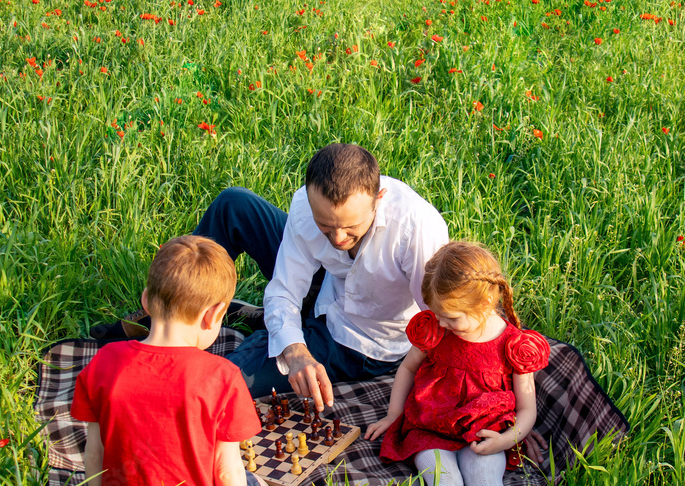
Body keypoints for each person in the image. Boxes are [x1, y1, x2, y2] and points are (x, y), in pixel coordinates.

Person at [93, 144, 449, 411]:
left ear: (378, 198)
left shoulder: (416, 229)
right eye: (325, 226)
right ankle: (170, 316)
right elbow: (283, 289)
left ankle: (241, 327)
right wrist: (294, 351)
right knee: (235, 204)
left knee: (220, 384)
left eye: (351, 228)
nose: (338, 239)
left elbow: (441, 321)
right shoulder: (306, 208)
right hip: (324, 285)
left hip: (358, 340)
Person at [71, 236, 281, 486]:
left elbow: (94, 454)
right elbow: (227, 472)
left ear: (145, 300)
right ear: (215, 316)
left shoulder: (103, 363)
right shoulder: (221, 377)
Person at [364, 242, 551, 486]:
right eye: (437, 315)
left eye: (451, 318)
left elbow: (527, 410)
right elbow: (407, 369)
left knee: (484, 480)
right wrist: (394, 415)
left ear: (485, 305)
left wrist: (506, 440)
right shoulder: (436, 329)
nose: (442, 324)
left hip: (485, 430)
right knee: (443, 479)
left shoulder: (513, 345)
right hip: (430, 424)